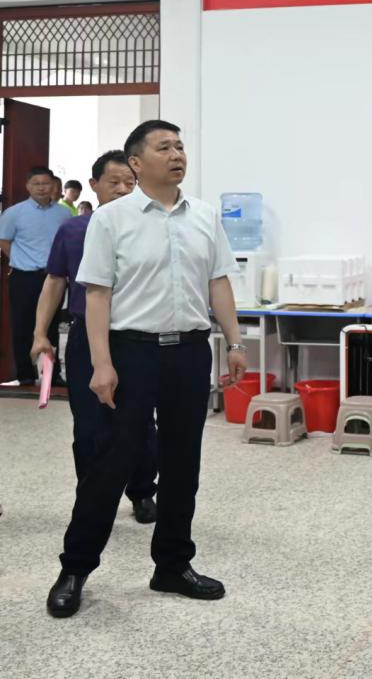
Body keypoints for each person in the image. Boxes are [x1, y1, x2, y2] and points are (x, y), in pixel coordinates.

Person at [46, 120, 247, 619]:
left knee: (183, 462)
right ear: (137, 162)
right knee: (110, 461)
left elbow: (218, 282)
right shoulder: (111, 219)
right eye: (164, 147)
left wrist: (235, 342)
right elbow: (97, 293)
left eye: (180, 146)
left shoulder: (204, 215)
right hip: (130, 351)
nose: (177, 154)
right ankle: (75, 568)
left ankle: (173, 565)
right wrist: (101, 363)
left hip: (190, 352)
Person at [32, 151, 157, 525]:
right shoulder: (73, 230)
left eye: (130, 183)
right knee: (88, 425)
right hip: (86, 337)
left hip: (137, 337)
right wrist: (40, 333)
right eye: (113, 182)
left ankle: (142, 491)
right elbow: (55, 281)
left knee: (140, 422)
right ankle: (91, 498)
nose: (122, 189)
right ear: (94, 185)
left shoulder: (151, 228)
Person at [0, 167, 71, 385]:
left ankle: (51, 375)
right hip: (24, 278)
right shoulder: (14, 213)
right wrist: (21, 259)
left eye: (45, 183)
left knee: (52, 326)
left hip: (54, 277)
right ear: (28, 186)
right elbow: (4, 241)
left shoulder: (64, 214)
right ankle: (25, 375)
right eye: (36, 184)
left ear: (54, 186)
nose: (41, 188)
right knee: (22, 326)